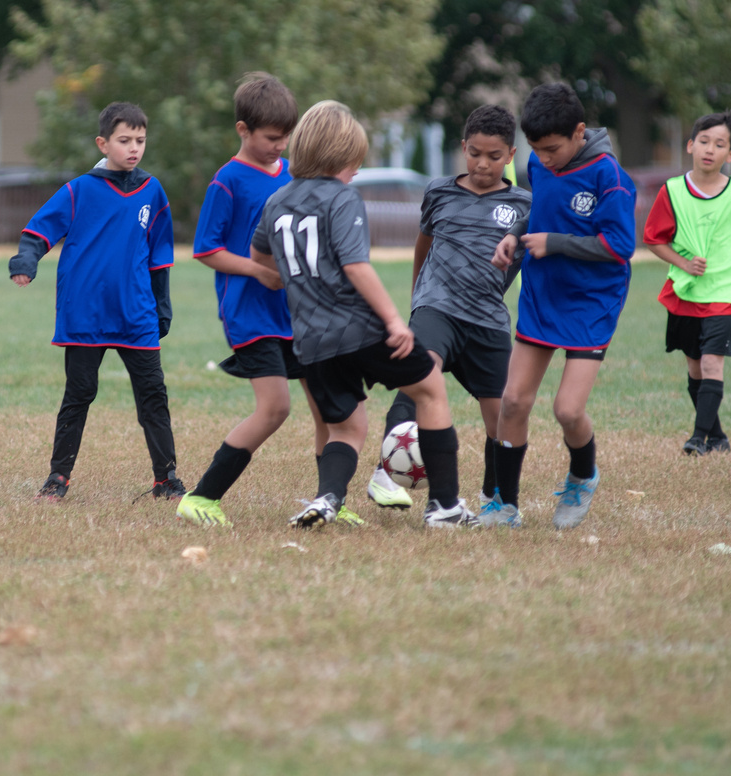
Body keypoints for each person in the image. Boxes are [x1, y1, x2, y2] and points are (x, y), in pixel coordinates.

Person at [251, 99, 477, 529]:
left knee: (346, 428)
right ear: (338, 155)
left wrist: (291, 279)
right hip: (358, 328)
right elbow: (356, 267)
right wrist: (394, 320)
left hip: (311, 339)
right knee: (429, 387)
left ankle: (327, 498)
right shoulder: (343, 197)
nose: (356, 170)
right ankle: (445, 507)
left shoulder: (276, 201)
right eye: (354, 161)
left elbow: (260, 261)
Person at [177, 74, 352, 528]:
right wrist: (258, 271)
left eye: (286, 137)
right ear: (243, 130)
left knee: (328, 409)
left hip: (299, 313)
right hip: (250, 313)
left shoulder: (294, 173)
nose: (280, 146)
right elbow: (206, 249)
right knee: (275, 407)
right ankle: (201, 497)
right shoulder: (227, 181)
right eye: (272, 138)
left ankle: (329, 499)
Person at [364, 104, 531, 529]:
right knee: (419, 377)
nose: (483, 163)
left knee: (502, 414)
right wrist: (419, 294)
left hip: (488, 321)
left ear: (511, 155)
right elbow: (424, 244)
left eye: (494, 156)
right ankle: (388, 471)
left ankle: (495, 494)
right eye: (475, 153)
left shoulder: (524, 204)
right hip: (436, 308)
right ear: (462, 148)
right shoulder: (439, 191)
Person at [9, 101, 185, 502]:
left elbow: (160, 254)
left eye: (140, 140)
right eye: (124, 140)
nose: (134, 148)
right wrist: (26, 260)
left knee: (153, 396)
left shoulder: (152, 191)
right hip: (85, 314)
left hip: (136, 315)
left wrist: (162, 304)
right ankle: (57, 479)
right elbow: (39, 231)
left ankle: (166, 479)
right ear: (103, 143)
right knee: (79, 394)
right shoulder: (79, 190)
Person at [490, 82, 637, 529]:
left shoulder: (608, 176)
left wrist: (554, 243)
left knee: (567, 410)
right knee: (513, 401)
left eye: (552, 148)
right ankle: (504, 505)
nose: (544, 158)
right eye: (536, 149)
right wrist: (516, 234)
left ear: (579, 132)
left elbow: (620, 246)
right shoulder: (538, 160)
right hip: (543, 294)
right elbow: (540, 210)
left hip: (592, 302)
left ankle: (583, 473)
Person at [643, 109, 731, 455]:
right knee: (694, 366)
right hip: (685, 292)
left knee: (711, 363)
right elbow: (654, 239)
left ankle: (697, 439)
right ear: (690, 145)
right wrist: (684, 263)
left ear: (730, 155)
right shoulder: (672, 191)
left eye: (719, 144)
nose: (710, 149)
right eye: (704, 141)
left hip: (723, 292)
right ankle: (717, 437)